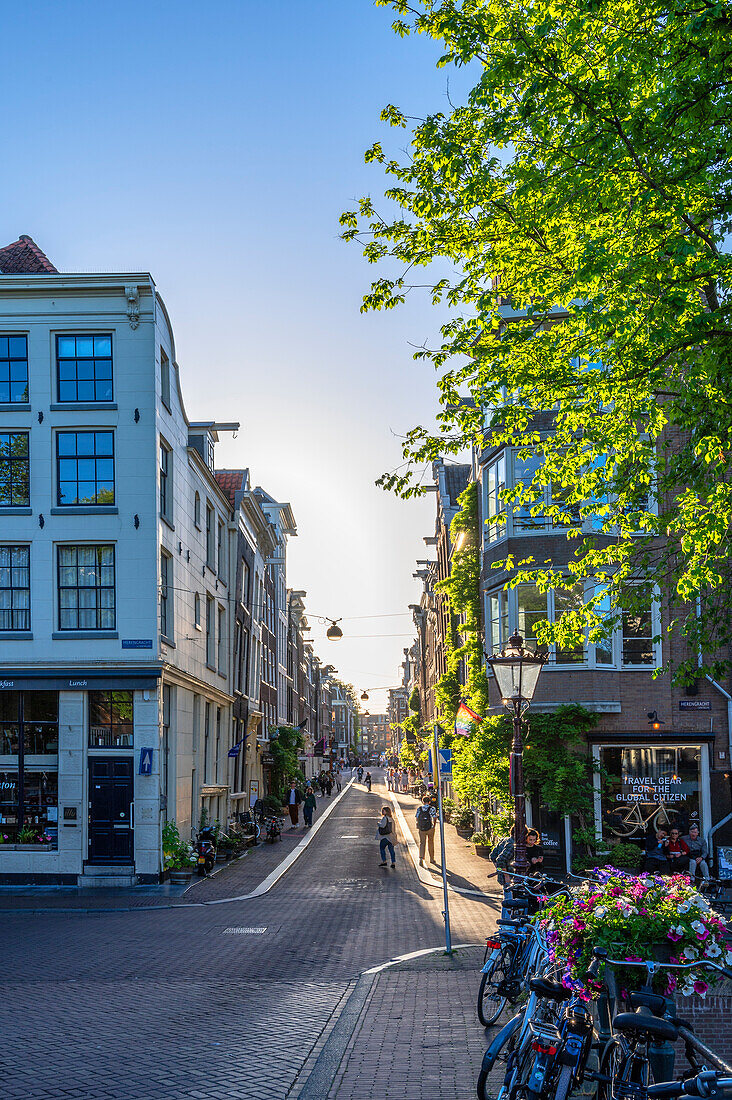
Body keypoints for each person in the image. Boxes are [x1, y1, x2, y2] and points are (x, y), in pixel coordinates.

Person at [416, 795, 437, 866]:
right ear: (429, 802)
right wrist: (434, 826)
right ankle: (431, 858)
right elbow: (434, 817)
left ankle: (421, 858)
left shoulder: (419, 809)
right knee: (431, 842)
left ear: (423, 801)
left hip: (421, 828)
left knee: (422, 843)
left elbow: (417, 817)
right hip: (430, 828)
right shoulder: (432, 808)